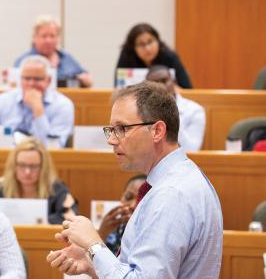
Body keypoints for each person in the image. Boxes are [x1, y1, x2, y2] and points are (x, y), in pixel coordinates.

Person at [47, 82, 223, 278]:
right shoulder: (182, 177)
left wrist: (94, 245)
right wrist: (93, 263)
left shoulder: (171, 194)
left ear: (157, 131)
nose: (111, 140)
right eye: (111, 129)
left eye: (122, 128)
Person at [0, 55, 74, 147]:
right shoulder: (1, 101)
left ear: (48, 80)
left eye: (37, 79)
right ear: (20, 79)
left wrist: (38, 110)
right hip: (5, 157)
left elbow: (53, 147)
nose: (31, 84)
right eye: (26, 78)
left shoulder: (63, 105)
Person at [0, 138, 78, 224]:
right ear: (14, 166)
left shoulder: (57, 189)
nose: (27, 172)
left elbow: (70, 217)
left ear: (43, 167)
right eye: (22, 165)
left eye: (33, 166)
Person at [14, 15, 92, 88]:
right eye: (44, 36)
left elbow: (86, 78)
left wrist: (86, 80)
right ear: (34, 38)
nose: (48, 41)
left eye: (52, 36)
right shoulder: (24, 61)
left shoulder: (66, 58)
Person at [146, 65, 205, 151]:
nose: (160, 86)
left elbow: (191, 150)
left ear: (174, 81)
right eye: (155, 83)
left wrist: (169, 113)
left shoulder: (195, 110)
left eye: (164, 81)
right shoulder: (140, 110)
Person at [115, 23, 192, 89]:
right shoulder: (127, 56)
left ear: (158, 40)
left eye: (150, 41)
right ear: (133, 48)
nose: (147, 48)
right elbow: (117, 87)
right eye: (141, 44)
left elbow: (188, 89)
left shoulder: (169, 56)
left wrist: (174, 89)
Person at [97, 174, 146, 255]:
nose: (132, 205)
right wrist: (102, 233)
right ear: (122, 198)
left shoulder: (151, 232)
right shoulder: (116, 227)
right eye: (128, 197)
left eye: (140, 200)